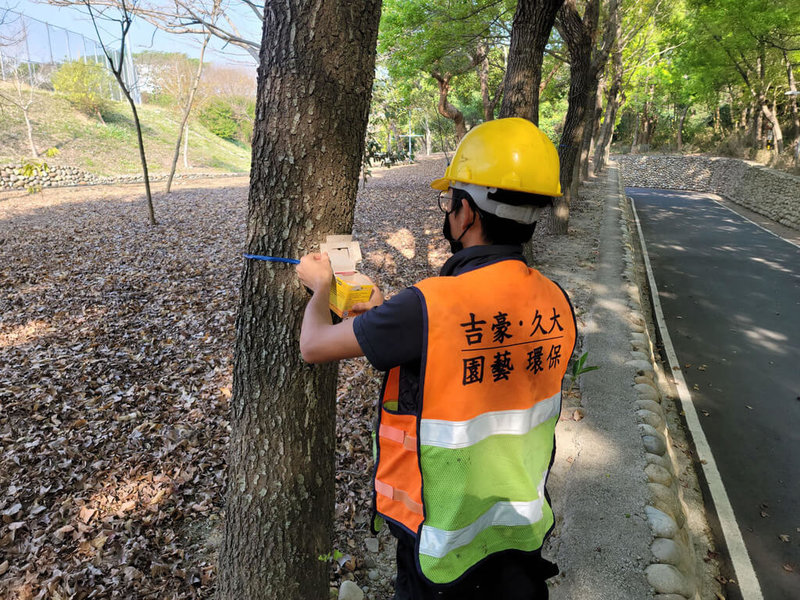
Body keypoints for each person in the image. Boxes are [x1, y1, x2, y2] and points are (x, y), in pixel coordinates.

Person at [296, 117, 577, 599]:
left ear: (466, 213)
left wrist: (321, 287)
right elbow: (476, 360)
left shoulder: (429, 304)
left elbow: (314, 345)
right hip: (518, 531)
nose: (449, 213)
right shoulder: (557, 301)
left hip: (444, 548)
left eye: (450, 203)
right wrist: (387, 314)